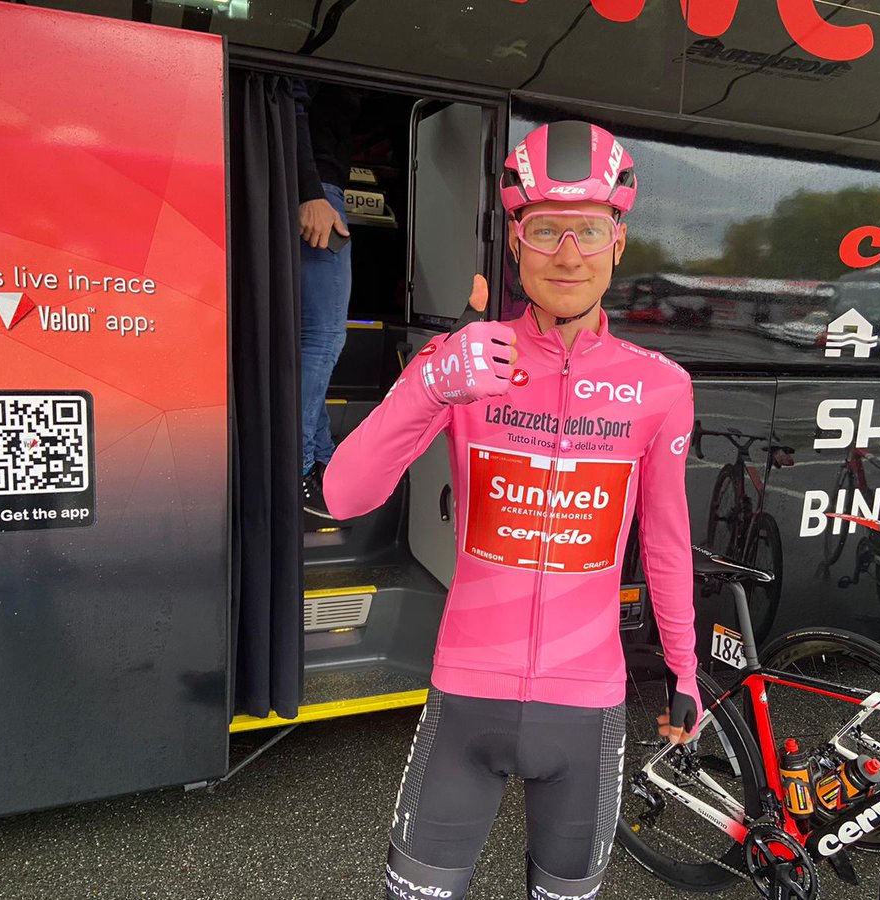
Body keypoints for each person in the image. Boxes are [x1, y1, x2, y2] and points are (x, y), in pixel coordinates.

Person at [323, 121, 702, 900]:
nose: (569, 253)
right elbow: (343, 495)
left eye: (589, 230)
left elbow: (664, 544)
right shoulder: (464, 363)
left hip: (587, 711)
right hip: (467, 697)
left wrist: (684, 670)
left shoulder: (660, 385)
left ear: (619, 243)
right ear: (517, 244)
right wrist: (427, 387)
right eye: (545, 229)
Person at [293, 79, 359, 518]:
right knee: (323, 339)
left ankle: (322, 463)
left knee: (313, 342)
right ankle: (298, 469)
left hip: (316, 187)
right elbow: (293, 99)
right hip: (319, 192)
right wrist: (311, 191)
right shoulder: (315, 55)